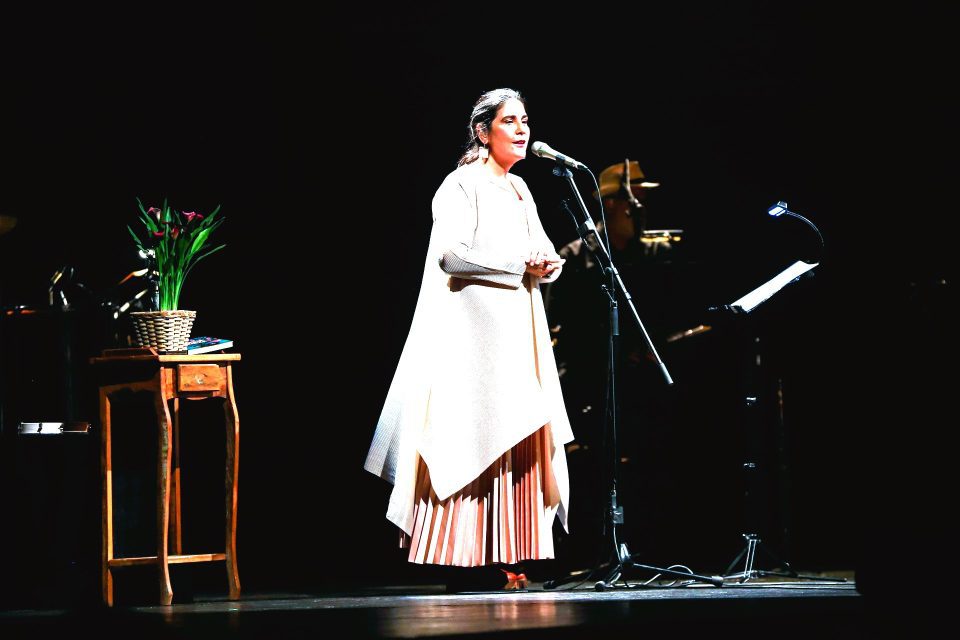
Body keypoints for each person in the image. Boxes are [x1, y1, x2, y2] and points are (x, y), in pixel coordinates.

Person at [364, 89, 574, 582]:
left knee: (514, 432)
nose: (522, 130)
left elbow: (544, 253)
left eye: (525, 120)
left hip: (516, 335)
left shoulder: (519, 189)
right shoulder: (460, 185)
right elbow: (451, 256)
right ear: (483, 132)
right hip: (472, 339)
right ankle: (461, 559)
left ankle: (505, 554)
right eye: (509, 121)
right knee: (471, 433)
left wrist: (549, 265)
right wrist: (518, 265)